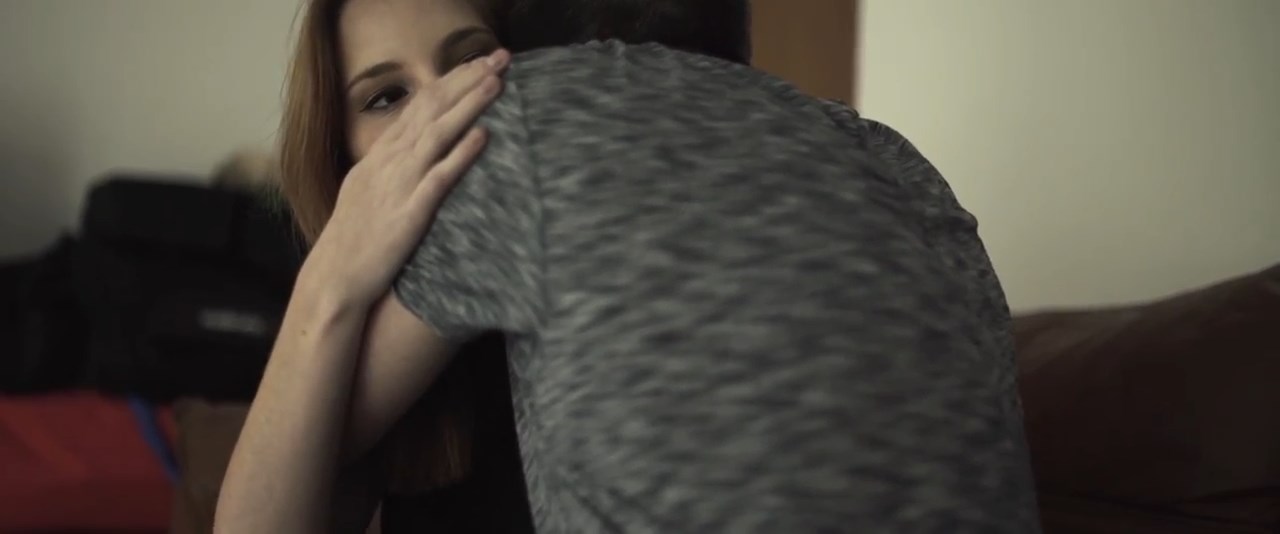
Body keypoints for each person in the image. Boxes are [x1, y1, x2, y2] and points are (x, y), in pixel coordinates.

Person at [218, 0, 1043, 532]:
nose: (441, 111)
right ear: (340, 149)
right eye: (386, 97)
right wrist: (330, 279)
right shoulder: (384, 347)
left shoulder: (544, 177)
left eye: (470, 63)